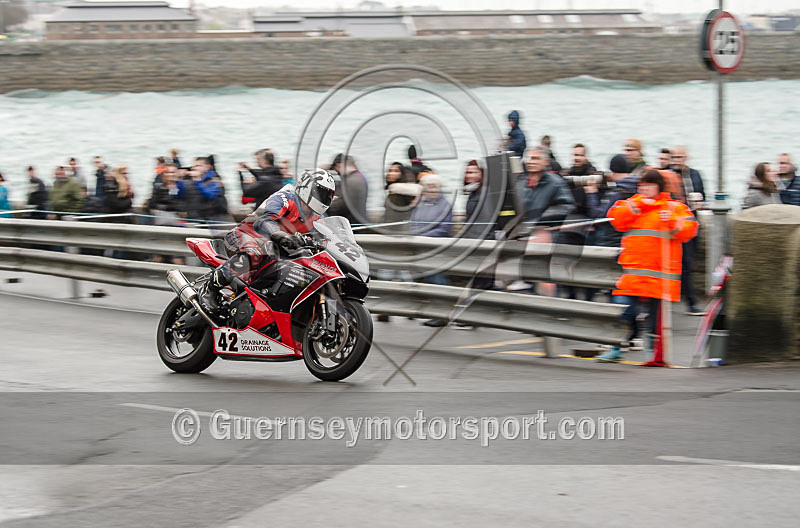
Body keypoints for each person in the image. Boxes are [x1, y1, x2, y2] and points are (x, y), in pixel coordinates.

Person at [596, 169, 698, 362]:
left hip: (658, 275)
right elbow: (616, 219)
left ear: (658, 187)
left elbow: (689, 230)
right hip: (632, 272)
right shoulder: (631, 204)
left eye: (649, 186)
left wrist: (673, 223)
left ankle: (652, 352)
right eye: (642, 186)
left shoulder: (674, 207)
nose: (645, 190)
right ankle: (617, 347)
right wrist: (638, 204)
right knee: (623, 309)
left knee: (654, 319)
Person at [199, 168, 337, 311]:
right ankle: (210, 289)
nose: (324, 199)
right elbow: (264, 221)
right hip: (244, 236)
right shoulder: (285, 198)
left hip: (274, 250)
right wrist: (280, 234)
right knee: (254, 252)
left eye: (328, 195)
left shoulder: (315, 217)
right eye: (321, 193)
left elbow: (326, 237)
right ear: (307, 188)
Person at [410, 172, 453, 327]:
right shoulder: (422, 203)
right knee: (429, 280)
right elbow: (413, 222)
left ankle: (443, 314)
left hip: (437, 247)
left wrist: (422, 236)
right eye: (428, 187)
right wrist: (415, 235)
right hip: (422, 247)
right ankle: (434, 312)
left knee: (438, 280)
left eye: (434, 187)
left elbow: (444, 229)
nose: (431, 190)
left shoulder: (445, 205)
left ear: (440, 188)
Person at [669, 146, 706, 315]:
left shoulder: (695, 174)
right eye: (674, 157)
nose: (677, 160)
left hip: (692, 222)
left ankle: (687, 300)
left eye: (680, 157)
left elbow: (703, 194)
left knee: (689, 263)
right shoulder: (667, 175)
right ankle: (690, 302)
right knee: (683, 264)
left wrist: (700, 203)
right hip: (675, 226)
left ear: (686, 157)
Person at [516, 146, 575, 225]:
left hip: (545, 231)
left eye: (535, 158)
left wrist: (543, 218)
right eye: (527, 158)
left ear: (546, 162)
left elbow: (567, 206)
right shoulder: (519, 182)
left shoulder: (555, 182)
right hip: (519, 230)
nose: (530, 161)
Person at [328, 153, 368, 226]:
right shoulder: (358, 176)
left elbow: (340, 207)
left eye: (336, 170)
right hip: (359, 221)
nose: (338, 174)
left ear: (339, 165)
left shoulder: (351, 181)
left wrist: (327, 203)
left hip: (353, 227)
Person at [184, 156, 228, 222]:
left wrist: (198, 181)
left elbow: (210, 196)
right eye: (195, 166)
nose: (195, 168)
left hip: (211, 218)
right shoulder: (192, 179)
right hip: (194, 217)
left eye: (198, 166)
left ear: (207, 167)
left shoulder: (214, 180)